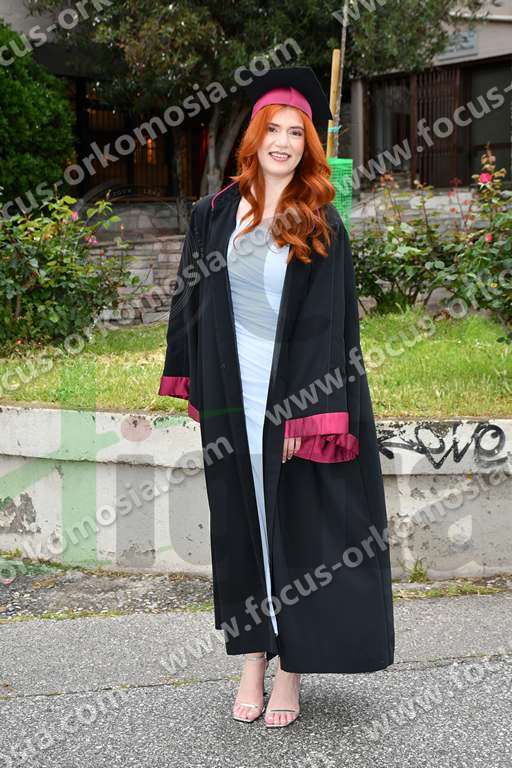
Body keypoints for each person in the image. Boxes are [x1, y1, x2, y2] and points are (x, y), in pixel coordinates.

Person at [158, 66, 395, 728]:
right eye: (274, 130)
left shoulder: (320, 221)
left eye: (297, 133)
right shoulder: (213, 215)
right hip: (233, 393)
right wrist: (195, 379)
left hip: (293, 400)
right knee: (243, 527)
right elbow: (191, 302)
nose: (284, 142)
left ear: (308, 145)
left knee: (296, 528)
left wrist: (306, 412)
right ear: (254, 137)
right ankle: (253, 657)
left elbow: (330, 324)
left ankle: (292, 665)